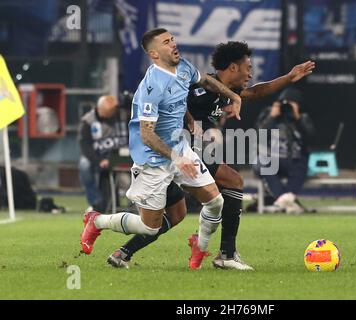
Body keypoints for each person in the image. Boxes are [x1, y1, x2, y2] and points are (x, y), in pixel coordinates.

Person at [107, 41, 315, 270]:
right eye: (248, 68)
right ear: (233, 68)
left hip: (186, 151)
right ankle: (225, 254)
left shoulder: (228, 92)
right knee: (233, 181)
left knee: (175, 215)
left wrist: (288, 77)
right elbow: (172, 100)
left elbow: (256, 92)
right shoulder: (201, 87)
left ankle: (122, 252)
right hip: (173, 151)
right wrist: (190, 122)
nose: (251, 73)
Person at [80, 28, 243, 270]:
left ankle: (201, 247)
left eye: (173, 39)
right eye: (167, 42)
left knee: (215, 201)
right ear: (155, 54)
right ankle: (98, 220)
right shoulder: (152, 87)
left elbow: (207, 81)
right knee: (150, 227)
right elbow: (147, 134)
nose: (173, 44)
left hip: (179, 148)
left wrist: (233, 97)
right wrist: (177, 158)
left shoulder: (184, 67)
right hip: (152, 160)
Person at [253, 88, 315, 214]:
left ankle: (284, 200)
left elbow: (310, 138)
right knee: (265, 162)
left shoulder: (302, 118)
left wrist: (297, 118)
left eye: (291, 104)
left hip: (292, 161)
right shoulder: (268, 114)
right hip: (270, 159)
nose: (286, 107)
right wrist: (271, 117)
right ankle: (286, 200)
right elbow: (258, 135)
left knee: (303, 159)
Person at [78, 95, 128, 212]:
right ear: (99, 109)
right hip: (98, 156)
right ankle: (96, 203)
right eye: (109, 112)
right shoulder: (88, 121)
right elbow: (85, 147)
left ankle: (136, 204)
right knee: (84, 165)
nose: (112, 114)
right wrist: (99, 160)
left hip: (122, 155)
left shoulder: (125, 116)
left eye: (113, 111)